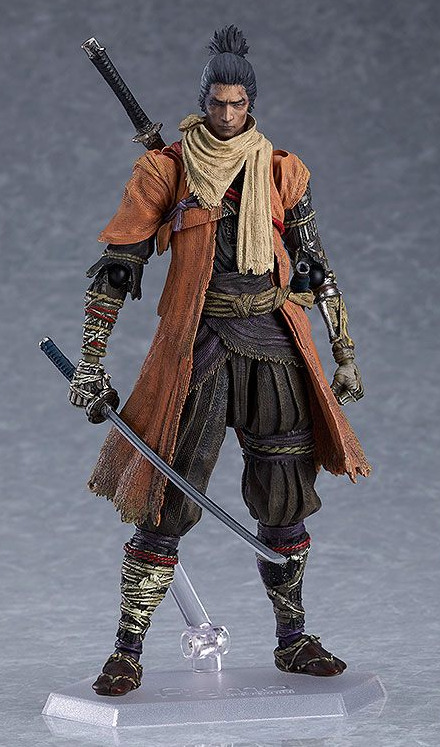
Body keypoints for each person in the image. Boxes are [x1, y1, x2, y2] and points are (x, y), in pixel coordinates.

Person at [69, 25, 370, 697]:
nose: (227, 115)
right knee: (166, 495)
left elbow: (315, 266)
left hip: (273, 342)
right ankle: (127, 649)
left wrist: (344, 352)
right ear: (202, 101)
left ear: (251, 103)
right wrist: (91, 361)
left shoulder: (282, 170)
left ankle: (293, 638)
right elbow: (117, 267)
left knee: (284, 496)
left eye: (238, 104)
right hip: (199, 344)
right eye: (217, 103)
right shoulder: (167, 169)